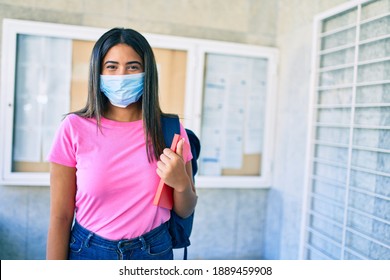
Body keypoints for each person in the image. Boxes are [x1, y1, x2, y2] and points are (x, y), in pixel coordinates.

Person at [46, 27, 197, 260]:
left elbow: (185, 209)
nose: (122, 76)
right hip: (88, 252)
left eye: (133, 67)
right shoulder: (73, 128)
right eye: (112, 66)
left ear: (147, 73)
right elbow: (60, 217)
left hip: (153, 252)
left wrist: (181, 184)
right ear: (98, 72)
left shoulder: (170, 130)